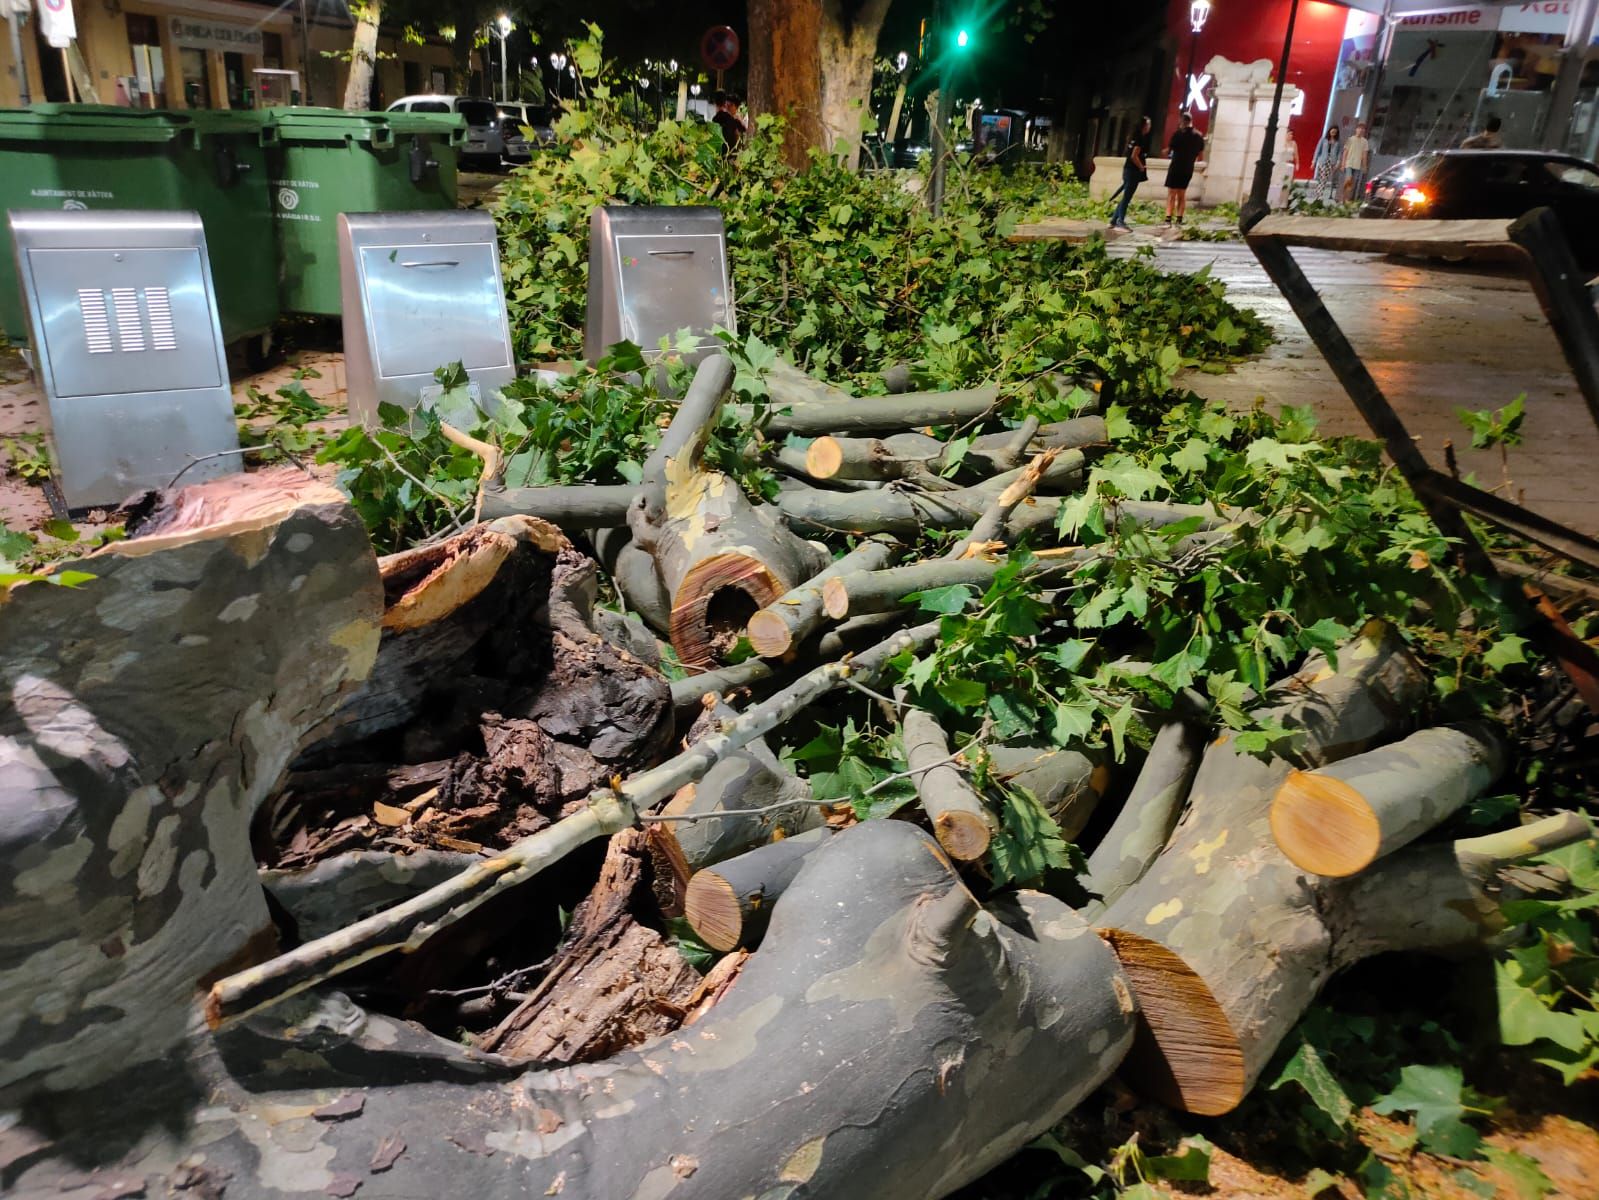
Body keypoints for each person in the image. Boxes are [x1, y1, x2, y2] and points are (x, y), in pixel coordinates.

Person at [1109, 115, 1152, 230]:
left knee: (1125, 196)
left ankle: (1114, 220)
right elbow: (1134, 156)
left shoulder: (1132, 137)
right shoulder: (1140, 139)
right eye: (1149, 124)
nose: (1150, 127)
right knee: (1127, 197)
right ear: (1145, 126)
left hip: (1127, 169)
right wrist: (1141, 167)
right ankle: (1120, 220)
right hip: (1133, 171)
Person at [1164, 113, 1204, 225]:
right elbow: (1200, 157)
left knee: (1172, 193)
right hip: (1187, 169)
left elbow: (1169, 150)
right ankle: (1179, 218)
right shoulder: (1199, 136)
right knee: (1182, 193)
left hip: (1176, 167)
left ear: (1182, 121)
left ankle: (1168, 218)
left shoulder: (1177, 134)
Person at [1341, 121, 1371, 201]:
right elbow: (1345, 152)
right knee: (1349, 179)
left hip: (1357, 165)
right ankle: (1343, 195)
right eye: (1359, 128)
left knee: (1352, 183)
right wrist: (1343, 164)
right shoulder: (1350, 139)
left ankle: (1346, 198)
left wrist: (1364, 166)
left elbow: (1364, 155)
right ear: (1356, 129)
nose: (1361, 130)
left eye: (1363, 129)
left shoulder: (1365, 142)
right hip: (1349, 163)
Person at [1312, 125, 1342, 201]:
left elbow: (1339, 153)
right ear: (1329, 131)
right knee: (1323, 177)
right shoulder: (1323, 139)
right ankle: (1319, 194)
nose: (1333, 133)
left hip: (1331, 161)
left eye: (1335, 132)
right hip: (1322, 160)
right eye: (1332, 131)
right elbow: (1317, 151)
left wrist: (1338, 162)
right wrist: (1314, 162)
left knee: (1325, 178)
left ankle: (1318, 192)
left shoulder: (1337, 142)